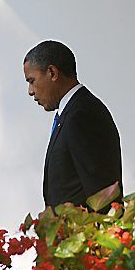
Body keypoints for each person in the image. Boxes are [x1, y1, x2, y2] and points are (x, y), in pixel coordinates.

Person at [22, 41, 122, 209]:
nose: (30, 91)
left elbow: (102, 193)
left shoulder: (82, 114)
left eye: (32, 81)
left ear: (52, 72)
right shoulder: (70, 112)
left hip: (86, 233)